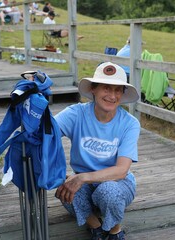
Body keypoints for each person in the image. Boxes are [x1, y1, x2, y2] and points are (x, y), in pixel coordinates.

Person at [54, 62, 140, 240]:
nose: (112, 95)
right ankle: (96, 228)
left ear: (123, 94)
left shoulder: (130, 123)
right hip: (85, 182)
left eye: (118, 90)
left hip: (118, 183)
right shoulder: (76, 114)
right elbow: (47, 132)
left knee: (108, 190)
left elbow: (121, 170)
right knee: (64, 187)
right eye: (106, 88)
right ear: (93, 89)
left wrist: (82, 177)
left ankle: (115, 231)